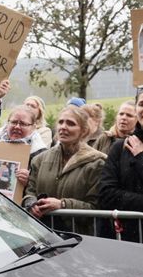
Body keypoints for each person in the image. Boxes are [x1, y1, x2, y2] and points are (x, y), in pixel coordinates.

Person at [22, 105, 107, 235]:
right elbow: (30, 192)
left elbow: (96, 207)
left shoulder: (97, 163)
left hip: (79, 237)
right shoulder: (39, 160)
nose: (63, 127)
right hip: (42, 235)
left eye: (71, 123)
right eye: (60, 122)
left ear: (83, 131)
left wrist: (63, 204)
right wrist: (31, 203)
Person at [98, 93, 143, 242]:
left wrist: (140, 159)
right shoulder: (120, 147)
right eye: (142, 104)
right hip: (126, 237)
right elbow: (107, 194)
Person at [0, 104, 48, 187]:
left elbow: (45, 187)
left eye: (23, 124)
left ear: (33, 127)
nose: (17, 127)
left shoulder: (41, 155)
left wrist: (30, 182)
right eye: (14, 122)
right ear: (7, 123)